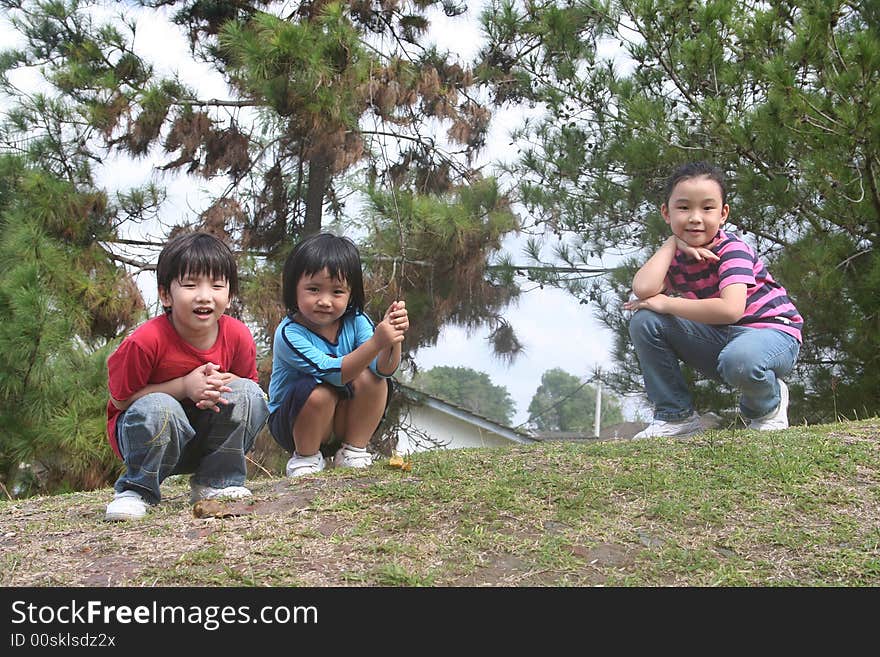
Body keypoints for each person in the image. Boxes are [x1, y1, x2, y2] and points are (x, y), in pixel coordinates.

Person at [624, 161, 803, 439]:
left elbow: (731, 310)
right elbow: (643, 288)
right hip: (724, 339)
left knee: (741, 359)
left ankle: (768, 406)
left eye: (707, 208)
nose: (695, 217)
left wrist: (667, 303)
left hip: (772, 335)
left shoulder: (732, 249)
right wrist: (671, 243)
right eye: (683, 208)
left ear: (723, 214)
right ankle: (676, 417)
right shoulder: (677, 257)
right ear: (666, 213)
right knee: (645, 321)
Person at [104, 231, 269, 521]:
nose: (204, 296)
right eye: (191, 284)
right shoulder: (145, 342)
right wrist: (184, 386)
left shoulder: (238, 336)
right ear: (165, 294)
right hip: (148, 439)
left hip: (205, 437)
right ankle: (136, 490)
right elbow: (121, 402)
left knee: (249, 394)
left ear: (229, 295)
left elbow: (247, 392)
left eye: (217, 285)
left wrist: (221, 383)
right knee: (159, 407)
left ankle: (217, 482)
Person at [268, 232, 408, 477]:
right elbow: (332, 373)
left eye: (337, 292)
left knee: (373, 379)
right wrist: (378, 341)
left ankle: (354, 450)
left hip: (342, 416)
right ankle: (306, 459)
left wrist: (393, 339)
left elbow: (383, 369)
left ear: (351, 294)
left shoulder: (356, 320)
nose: (324, 300)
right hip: (294, 423)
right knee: (317, 392)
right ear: (294, 289)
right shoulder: (290, 333)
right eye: (313, 289)